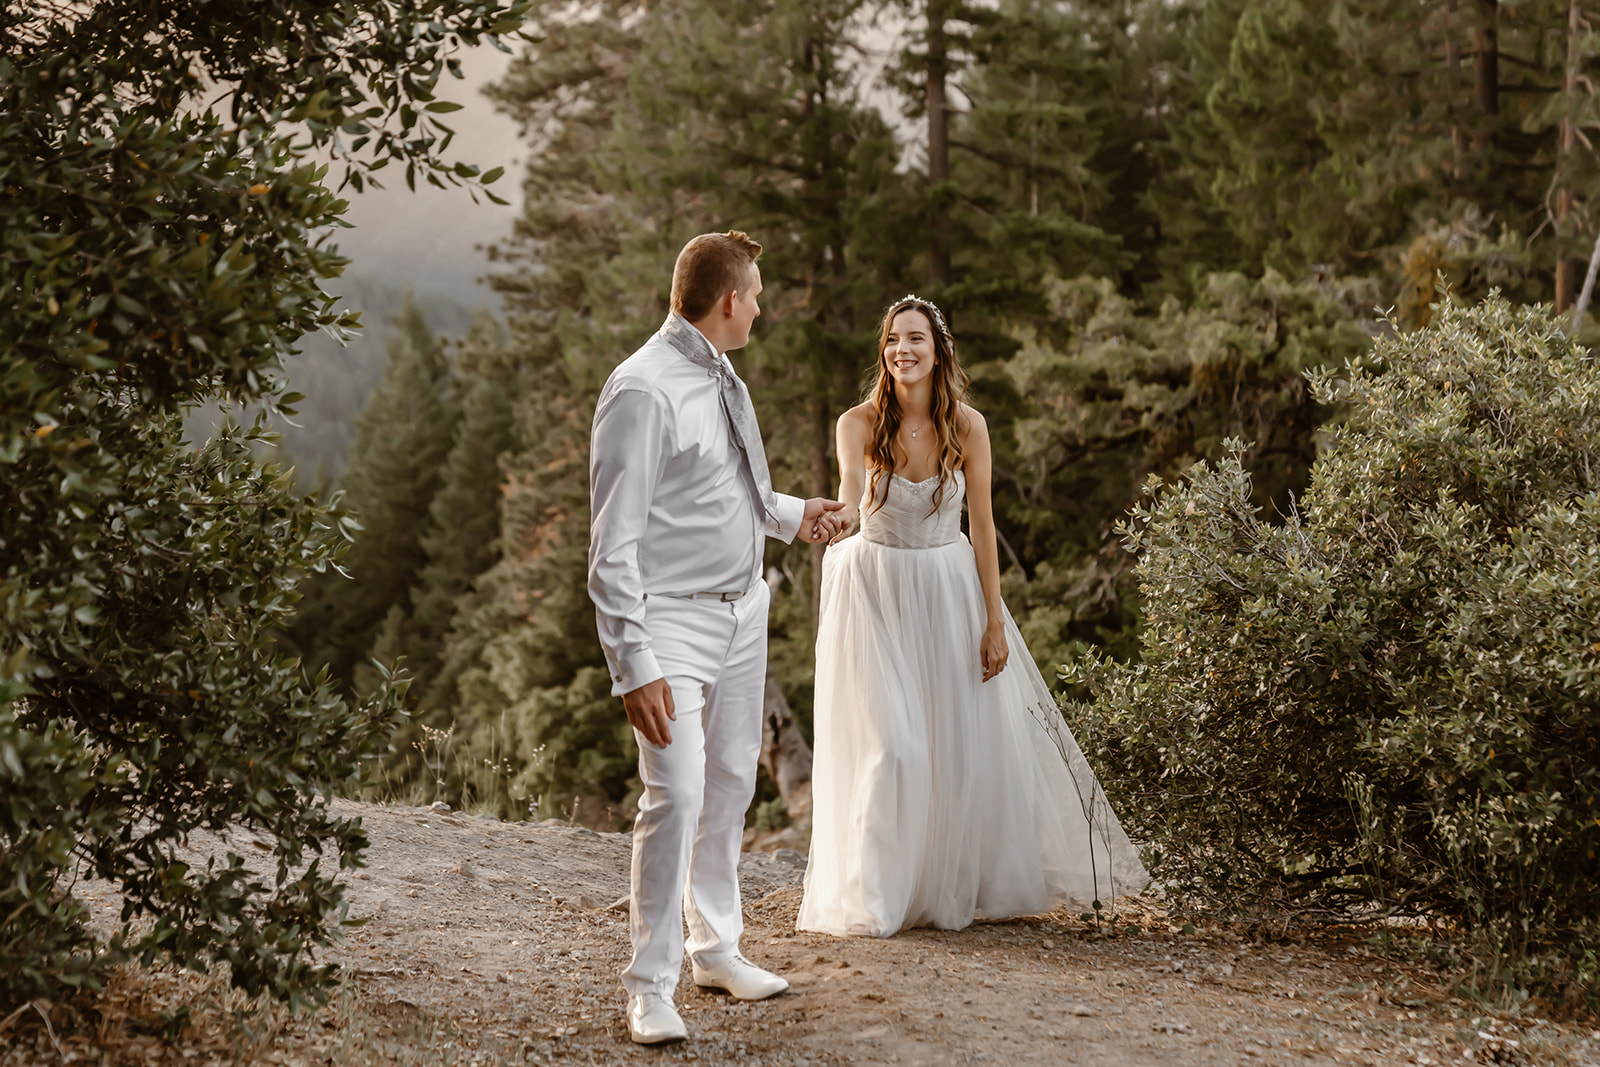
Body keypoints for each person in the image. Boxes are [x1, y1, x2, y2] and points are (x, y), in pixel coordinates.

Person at [797, 295, 1147, 938]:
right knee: (893, 746)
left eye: (916, 340)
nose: (903, 350)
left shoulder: (969, 426)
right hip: (876, 589)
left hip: (947, 589)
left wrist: (993, 619)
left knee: (949, 746)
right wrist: (829, 522)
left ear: (938, 351)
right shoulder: (856, 423)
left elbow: (982, 527)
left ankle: (940, 883)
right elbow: (850, 503)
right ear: (885, 350)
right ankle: (877, 895)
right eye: (894, 340)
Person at [588, 231, 845, 1045]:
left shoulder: (721, 372)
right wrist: (634, 663)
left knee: (733, 778)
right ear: (729, 300)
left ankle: (716, 947)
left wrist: (800, 516)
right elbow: (611, 548)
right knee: (678, 792)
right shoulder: (643, 390)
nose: (762, 307)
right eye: (757, 295)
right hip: (671, 622)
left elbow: (733, 489)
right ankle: (649, 986)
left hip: (744, 611)